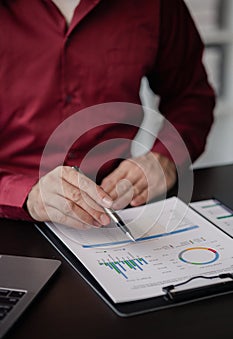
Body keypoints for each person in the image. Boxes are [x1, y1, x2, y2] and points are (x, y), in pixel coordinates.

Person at [0, 0, 215, 229]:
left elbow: (191, 96)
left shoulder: (157, 5)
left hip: (118, 206)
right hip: (11, 215)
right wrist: (26, 194)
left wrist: (166, 157)